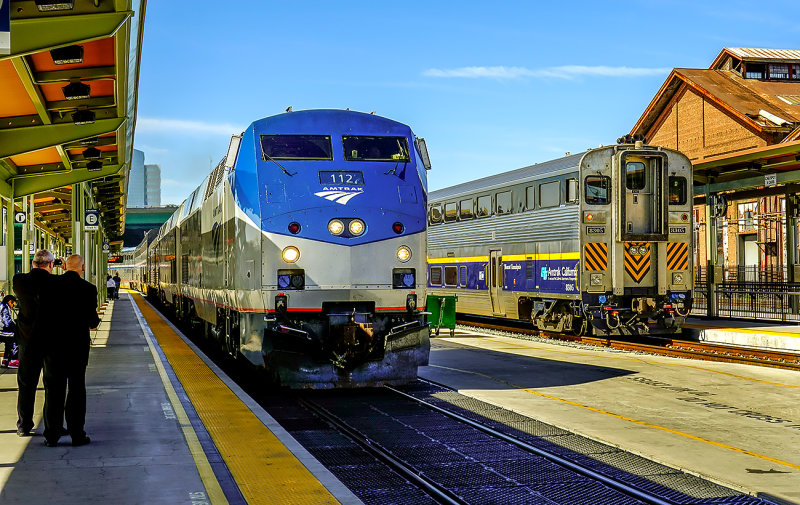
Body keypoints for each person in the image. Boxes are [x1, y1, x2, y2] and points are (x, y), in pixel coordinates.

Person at [42, 254, 99, 447]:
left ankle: (51, 435)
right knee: (76, 390)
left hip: (52, 347)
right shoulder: (89, 289)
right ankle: (77, 435)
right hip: (77, 348)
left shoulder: (50, 285)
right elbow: (92, 322)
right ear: (82, 268)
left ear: (65, 266)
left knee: (53, 391)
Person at [12, 250, 61, 437]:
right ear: (51, 265)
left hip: (27, 341)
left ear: (33, 264)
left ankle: (24, 425)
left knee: (26, 384)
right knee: (53, 385)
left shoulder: (20, 281)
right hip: (52, 342)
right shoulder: (57, 283)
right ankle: (53, 426)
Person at [0, 295, 19, 368]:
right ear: (10, 301)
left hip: (1, 331)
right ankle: (13, 361)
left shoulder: (1, 305)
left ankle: (5, 359)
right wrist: (15, 327)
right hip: (1, 331)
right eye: (13, 304)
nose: (12, 307)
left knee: (8, 340)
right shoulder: (5, 307)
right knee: (15, 337)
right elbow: (7, 322)